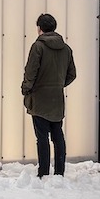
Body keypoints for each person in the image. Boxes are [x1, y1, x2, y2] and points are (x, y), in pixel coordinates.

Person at [22, 13, 76, 178]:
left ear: (39, 28)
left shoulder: (38, 46)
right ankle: (59, 172)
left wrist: (26, 88)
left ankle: (43, 173)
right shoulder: (66, 49)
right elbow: (72, 74)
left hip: (39, 98)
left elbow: (31, 71)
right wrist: (58, 85)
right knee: (58, 135)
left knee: (42, 136)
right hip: (57, 99)